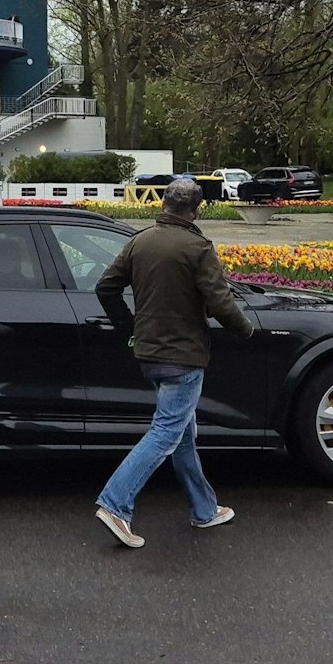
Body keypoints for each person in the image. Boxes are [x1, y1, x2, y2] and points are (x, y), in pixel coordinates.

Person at [91, 177, 255, 548]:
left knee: (181, 432)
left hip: (148, 354)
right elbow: (220, 302)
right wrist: (246, 331)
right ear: (197, 210)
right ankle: (115, 504)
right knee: (166, 431)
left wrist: (129, 328)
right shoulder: (198, 247)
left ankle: (204, 509)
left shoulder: (140, 241)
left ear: (164, 204)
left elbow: (105, 287)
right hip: (183, 357)